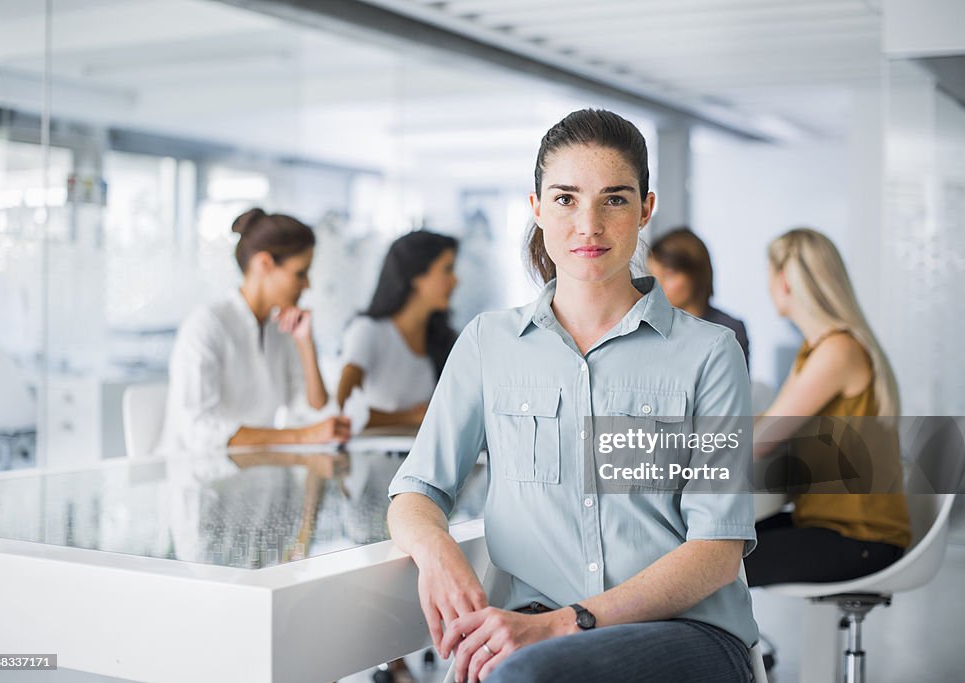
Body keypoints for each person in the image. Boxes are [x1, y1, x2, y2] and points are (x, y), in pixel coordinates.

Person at [387, 109, 757, 683]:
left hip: (686, 630)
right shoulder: (490, 343)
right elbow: (417, 489)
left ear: (645, 210)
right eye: (565, 199)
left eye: (614, 199)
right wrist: (435, 550)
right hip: (530, 626)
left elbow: (717, 548)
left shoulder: (710, 353)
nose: (589, 225)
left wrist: (568, 623)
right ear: (535, 208)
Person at [746, 228, 909, 586]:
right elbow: (771, 418)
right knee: (709, 548)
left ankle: (722, 645)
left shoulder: (838, 351)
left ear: (785, 280)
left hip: (862, 538)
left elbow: (763, 438)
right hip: (825, 527)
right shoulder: (816, 349)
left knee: (710, 568)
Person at [160, 208, 349, 453]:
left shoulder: (279, 330)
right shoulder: (207, 325)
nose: (307, 284)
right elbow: (199, 430)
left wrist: (306, 344)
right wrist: (302, 436)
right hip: (196, 477)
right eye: (300, 273)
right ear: (265, 264)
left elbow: (316, 415)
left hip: (251, 475)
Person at [336, 231, 459, 429]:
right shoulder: (368, 331)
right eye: (447, 269)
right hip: (374, 456)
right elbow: (343, 407)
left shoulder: (440, 339)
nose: (455, 280)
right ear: (417, 276)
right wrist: (410, 418)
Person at [647, 226, 751, 367]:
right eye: (652, 274)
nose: (657, 284)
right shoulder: (647, 327)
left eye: (668, 275)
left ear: (695, 275)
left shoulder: (729, 330)